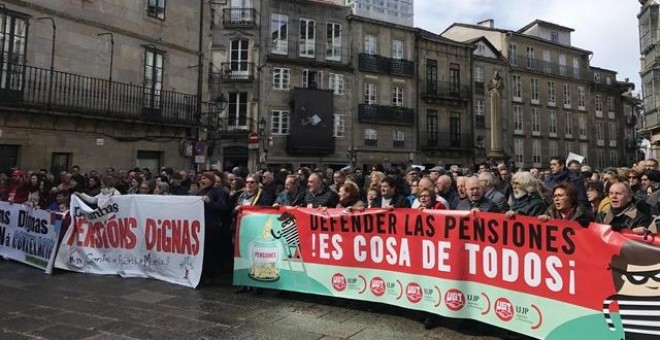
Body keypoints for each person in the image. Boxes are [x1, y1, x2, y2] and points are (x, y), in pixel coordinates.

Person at [198, 171, 229, 281]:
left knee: (210, 252)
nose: (202, 181)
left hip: (212, 227)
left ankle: (210, 275)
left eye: (205, 178)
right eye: (202, 178)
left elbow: (222, 208)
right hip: (201, 227)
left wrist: (210, 202)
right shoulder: (200, 191)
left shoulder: (218, 192)